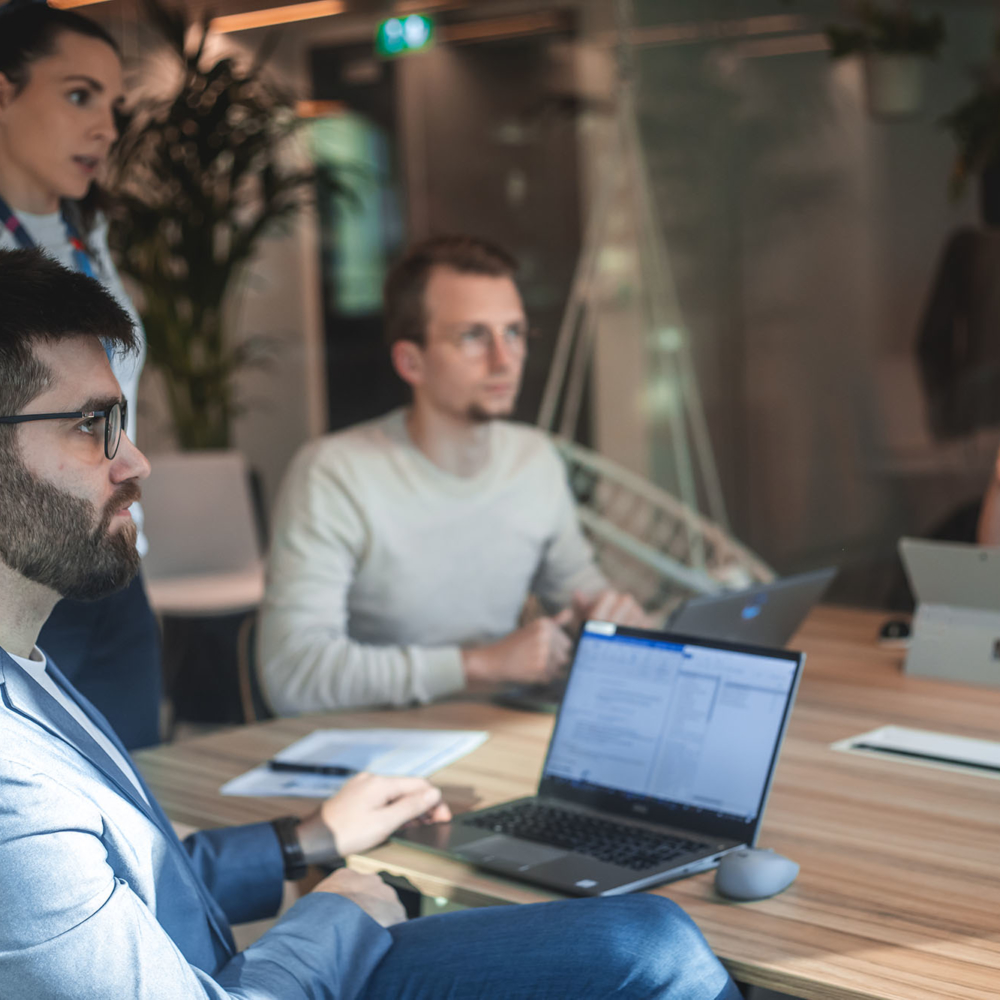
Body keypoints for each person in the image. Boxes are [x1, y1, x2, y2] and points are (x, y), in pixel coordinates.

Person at [0, 247, 742, 1000]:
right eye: (93, 423)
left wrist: (303, 840)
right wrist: (335, 912)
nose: (136, 462)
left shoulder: (27, 666)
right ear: (411, 359)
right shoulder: (10, 783)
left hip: (250, 956)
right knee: (659, 950)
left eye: (120, 420)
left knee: (655, 938)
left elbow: (145, 882)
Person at [260, 234, 650, 715]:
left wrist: (615, 621)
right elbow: (291, 675)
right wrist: (479, 666)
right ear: (411, 361)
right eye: (473, 336)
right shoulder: (334, 474)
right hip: (374, 754)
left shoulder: (535, 460)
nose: (504, 360)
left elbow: (580, 593)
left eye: (514, 333)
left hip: (502, 734)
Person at [0, 0, 160, 748]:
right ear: (4, 92)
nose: (105, 126)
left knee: (137, 788)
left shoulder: (85, 231)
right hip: (23, 564)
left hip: (112, 548)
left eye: (112, 104)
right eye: (77, 95)